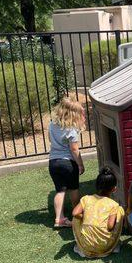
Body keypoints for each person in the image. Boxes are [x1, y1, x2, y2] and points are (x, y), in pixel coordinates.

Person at [48, 97, 85, 228]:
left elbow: (51, 141)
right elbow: (74, 149)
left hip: (53, 162)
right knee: (73, 189)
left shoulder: (51, 125)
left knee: (60, 190)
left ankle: (59, 219)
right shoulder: (71, 129)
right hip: (68, 164)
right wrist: (80, 164)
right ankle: (78, 214)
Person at [72, 167, 125, 258]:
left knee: (75, 218)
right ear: (114, 189)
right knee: (120, 210)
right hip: (104, 246)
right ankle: (114, 243)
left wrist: (85, 217)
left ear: (96, 185)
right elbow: (110, 226)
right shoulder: (113, 205)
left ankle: (84, 243)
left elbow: (75, 213)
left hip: (86, 246)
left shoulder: (86, 199)